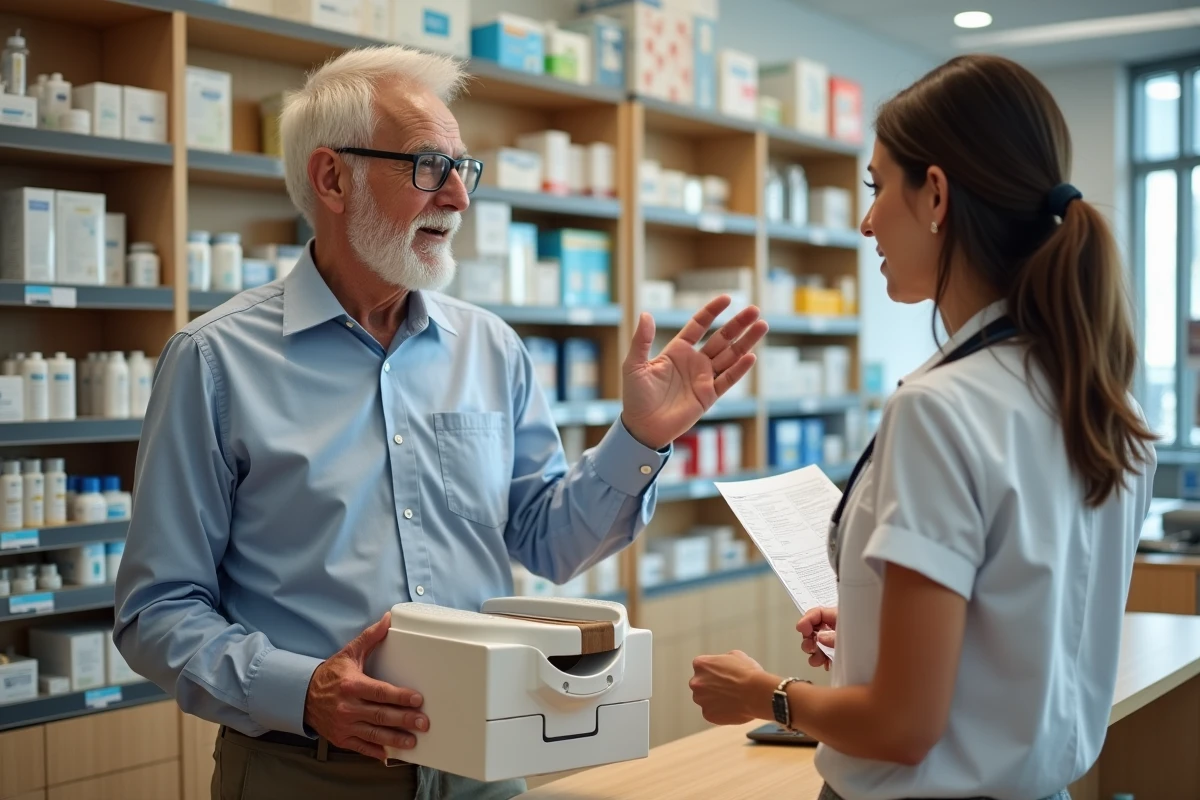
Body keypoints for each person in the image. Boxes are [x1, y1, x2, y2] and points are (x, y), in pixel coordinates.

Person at [114, 45, 767, 800]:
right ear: (332, 177)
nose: (458, 198)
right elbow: (157, 611)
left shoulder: (489, 348)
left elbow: (548, 542)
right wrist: (302, 691)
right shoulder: (214, 361)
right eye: (428, 167)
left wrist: (641, 439)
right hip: (305, 772)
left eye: (465, 168)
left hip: (484, 765)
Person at [688, 53, 1157, 800]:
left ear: (935, 194)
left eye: (877, 187)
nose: (866, 220)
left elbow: (903, 729)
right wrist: (881, 619)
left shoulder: (939, 408)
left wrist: (761, 694)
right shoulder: (1098, 402)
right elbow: (1026, 614)